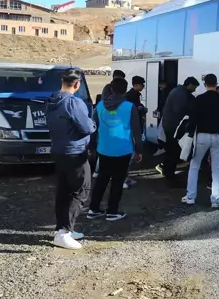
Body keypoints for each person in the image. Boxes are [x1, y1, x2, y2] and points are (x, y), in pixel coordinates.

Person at [45, 68, 97, 250]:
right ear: (77, 84)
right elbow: (86, 127)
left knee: (63, 191)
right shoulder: (74, 103)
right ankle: (64, 233)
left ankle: (63, 228)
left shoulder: (52, 100)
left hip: (58, 150)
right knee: (81, 190)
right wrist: (93, 123)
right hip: (75, 152)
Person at [87, 78, 143, 221]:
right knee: (118, 181)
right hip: (123, 149)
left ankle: (93, 209)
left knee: (101, 179)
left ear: (111, 89)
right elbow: (137, 130)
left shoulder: (99, 106)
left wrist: (91, 147)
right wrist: (139, 150)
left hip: (104, 149)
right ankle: (112, 211)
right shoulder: (130, 107)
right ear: (125, 90)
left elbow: (93, 129)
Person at [182, 74, 219, 208]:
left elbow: (193, 118)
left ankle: (190, 197)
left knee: (195, 166)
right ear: (216, 83)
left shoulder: (199, 99)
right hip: (218, 136)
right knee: (216, 169)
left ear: (205, 84)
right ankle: (215, 200)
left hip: (202, 136)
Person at [159, 76, 200, 187]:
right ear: (190, 84)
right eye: (194, 87)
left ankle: (167, 171)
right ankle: (170, 176)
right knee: (173, 151)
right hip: (173, 127)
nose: (195, 90)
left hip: (169, 125)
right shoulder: (180, 94)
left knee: (171, 150)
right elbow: (180, 111)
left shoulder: (178, 91)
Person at [123, 75, 148, 189]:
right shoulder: (130, 96)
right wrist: (140, 109)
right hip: (132, 127)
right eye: (142, 84)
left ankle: (125, 177)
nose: (143, 86)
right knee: (130, 155)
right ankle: (123, 178)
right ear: (136, 85)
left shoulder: (135, 95)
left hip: (135, 125)